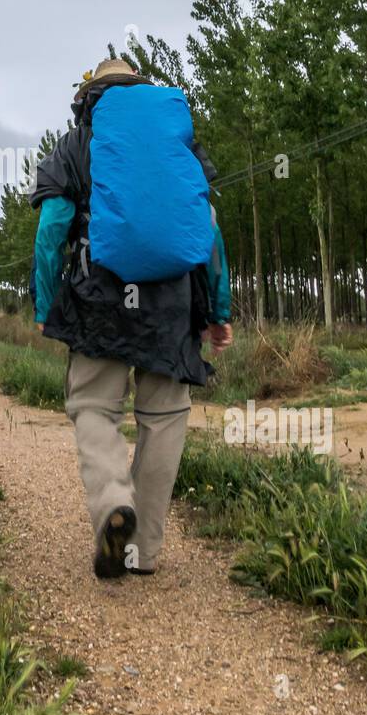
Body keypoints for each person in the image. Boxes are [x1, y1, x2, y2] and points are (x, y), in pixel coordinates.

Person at [29, 58, 232, 579]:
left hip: (100, 296)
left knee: (94, 405)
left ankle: (114, 502)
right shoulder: (175, 141)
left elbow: (52, 228)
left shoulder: (77, 143)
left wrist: (46, 303)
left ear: (89, 95)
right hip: (171, 302)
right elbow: (207, 227)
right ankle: (142, 548)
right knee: (164, 418)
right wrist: (218, 311)